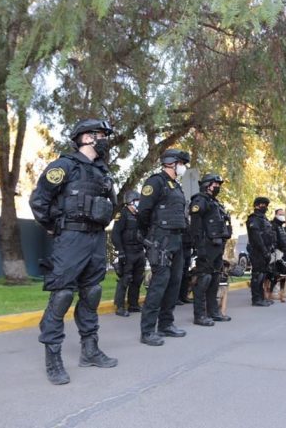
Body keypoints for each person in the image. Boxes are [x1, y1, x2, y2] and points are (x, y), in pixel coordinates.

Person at [30, 118, 118, 385]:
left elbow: (111, 205)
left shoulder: (103, 173)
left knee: (92, 293)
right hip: (71, 238)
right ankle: (53, 358)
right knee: (62, 295)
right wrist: (54, 227)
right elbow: (39, 200)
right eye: (101, 135)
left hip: (96, 238)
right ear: (86, 137)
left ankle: (90, 351)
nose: (105, 140)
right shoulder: (64, 166)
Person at [136, 149, 190, 346]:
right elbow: (143, 212)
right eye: (181, 163)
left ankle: (166, 324)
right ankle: (147, 330)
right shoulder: (155, 182)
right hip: (161, 239)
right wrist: (151, 234)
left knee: (174, 283)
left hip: (176, 239)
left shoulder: (176, 186)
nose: (183, 167)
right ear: (171, 163)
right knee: (159, 284)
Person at [189, 173, 233, 325]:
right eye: (216, 184)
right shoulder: (199, 200)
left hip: (217, 246)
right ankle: (199, 315)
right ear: (207, 185)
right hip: (206, 246)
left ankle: (213, 312)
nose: (218, 187)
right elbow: (196, 226)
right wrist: (199, 247)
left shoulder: (214, 202)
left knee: (215, 279)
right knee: (203, 279)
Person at [111, 190, 145, 316]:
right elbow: (115, 234)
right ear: (130, 201)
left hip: (139, 251)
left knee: (137, 279)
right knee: (125, 279)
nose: (139, 203)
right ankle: (119, 307)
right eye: (137, 201)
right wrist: (120, 251)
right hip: (127, 251)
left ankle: (133, 304)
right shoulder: (122, 214)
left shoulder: (139, 215)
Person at [246, 197, 276, 306]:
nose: (265, 207)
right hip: (257, 251)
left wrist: (270, 248)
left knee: (263, 275)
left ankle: (261, 297)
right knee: (257, 275)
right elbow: (256, 237)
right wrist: (264, 250)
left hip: (265, 250)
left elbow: (269, 234)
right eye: (263, 205)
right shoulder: (253, 219)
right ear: (257, 205)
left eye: (266, 205)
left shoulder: (264, 219)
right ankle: (256, 299)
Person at [271, 208, 286, 302]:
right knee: (275, 272)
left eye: (283, 214)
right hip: (276, 251)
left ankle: (280, 292)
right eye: (280, 214)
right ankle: (274, 292)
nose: (282, 216)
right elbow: (273, 238)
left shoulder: (281, 226)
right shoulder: (273, 225)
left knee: (282, 271)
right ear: (275, 215)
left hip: (282, 251)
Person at [178, 219, 194, 305]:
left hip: (187, 247)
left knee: (185, 274)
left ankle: (183, 296)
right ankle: (176, 297)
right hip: (180, 247)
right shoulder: (179, 217)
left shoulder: (186, 219)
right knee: (178, 274)